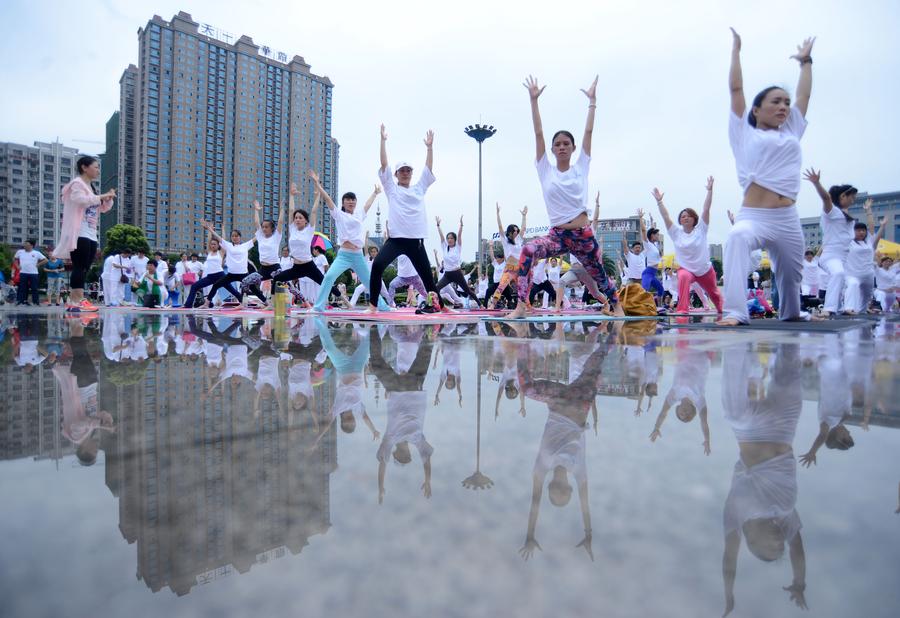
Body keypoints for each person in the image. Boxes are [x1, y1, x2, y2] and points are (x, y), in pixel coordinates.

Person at [718, 29, 815, 326]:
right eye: (776, 102)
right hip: (754, 215)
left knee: (790, 276)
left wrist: (806, 62)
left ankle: (791, 312)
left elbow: (804, 95)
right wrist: (736, 51)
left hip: (787, 217)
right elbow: (736, 90)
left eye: (785, 102)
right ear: (757, 110)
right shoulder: (743, 133)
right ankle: (736, 312)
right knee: (736, 237)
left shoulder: (791, 131)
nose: (784, 106)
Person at [507, 75, 619, 319]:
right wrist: (533, 100)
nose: (561, 146)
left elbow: (589, 130)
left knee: (599, 273)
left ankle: (615, 303)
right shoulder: (545, 169)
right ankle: (521, 306)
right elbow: (538, 134)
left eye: (566, 143)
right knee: (527, 250)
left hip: (582, 235)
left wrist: (592, 102)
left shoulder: (581, 166)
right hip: (557, 236)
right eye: (557, 144)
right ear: (552, 149)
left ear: (573, 147)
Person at [367, 124, 444, 313]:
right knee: (377, 266)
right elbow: (384, 164)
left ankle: (441, 306)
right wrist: (383, 141)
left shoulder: (419, 188)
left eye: (408, 170)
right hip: (396, 240)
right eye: (402, 170)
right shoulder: (391, 189)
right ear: (396, 174)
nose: (405, 173)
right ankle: (372, 307)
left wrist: (429, 148)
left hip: (416, 242)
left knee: (427, 278)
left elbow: (428, 168)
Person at [308, 172, 390, 312]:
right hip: (344, 255)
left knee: (369, 283)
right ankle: (318, 307)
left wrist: (375, 193)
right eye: (348, 200)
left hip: (358, 255)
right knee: (328, 277)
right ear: (343, 203)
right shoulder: (339, 215)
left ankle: (383, 307)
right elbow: (327, 199)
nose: (351, 202)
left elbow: (367, 205)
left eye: (353, 200)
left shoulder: (359, 215)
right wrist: (318, 185)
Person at [652, 177, 723, 314]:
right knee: (683, 276)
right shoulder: (676, 233)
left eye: (688, 216)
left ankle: (721, 309)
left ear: (694, 219)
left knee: (714, 295)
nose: (685, 217)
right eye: (683, 216)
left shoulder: (701, 229)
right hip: (687, 270)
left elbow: (706, 209)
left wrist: (709, 191)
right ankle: (682, 310)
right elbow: (666, 217)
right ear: (680, 220)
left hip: (705, 271)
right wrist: (660, 202)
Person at [53, 156, 115, 312]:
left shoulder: (91, 187)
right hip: (79, 230)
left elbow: (100, 208)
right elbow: (80, 200)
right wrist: (101, 196)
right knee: (79, 266)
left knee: (85, 267)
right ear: (84, 167)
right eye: (95, 167)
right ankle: (77, 300)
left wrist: (107, 199)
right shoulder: (77, 184)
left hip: (91, 232)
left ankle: (75, 300)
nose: (98, 170)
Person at [803, 169, 855, 316]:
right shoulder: (832, 212)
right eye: (851, 196)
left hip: (844, 256)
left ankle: (841, 307)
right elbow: (826, 198)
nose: (853, 199)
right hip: (831, 255)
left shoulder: (847, 217)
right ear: (842, 196)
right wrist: (817, 183)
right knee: (837, 273)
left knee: (849, 282)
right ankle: (828, 308)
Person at [271, 181, 326, 298]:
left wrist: (318, 196)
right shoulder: (292, 228)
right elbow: (291, 210)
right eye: (296, 218)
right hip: (296, 266)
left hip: (309, 265)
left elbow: (314, 211)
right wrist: (291, 195)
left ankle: (346, 302)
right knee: (277, 279)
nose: (297, 219)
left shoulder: (309, 229)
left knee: (325, 283)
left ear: (306, 220)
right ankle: (272, 303)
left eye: (300, 218)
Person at [200, 221, 267, 308]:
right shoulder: (228, 245)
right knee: (216, 285)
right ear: (231, 237)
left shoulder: (245, 245)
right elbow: (218, 237)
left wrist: (262, 230)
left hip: (243, 274)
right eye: (233, 236)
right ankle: (206, 303)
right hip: (231, 274)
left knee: (253, 288)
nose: (235, 238)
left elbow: (257, 237)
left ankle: (267, 303)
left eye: (236, 236)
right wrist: (209, 229)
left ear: (240, 237)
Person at [843, 210, 886, 314]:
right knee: (853, 285)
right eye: (858, 230)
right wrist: (845, 212)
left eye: (863, 230)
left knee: (866, 296)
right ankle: (848, 308)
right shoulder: (849, 242)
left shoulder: (870, 242)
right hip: (852, 274)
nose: (861, 232)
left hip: (868, 274)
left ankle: (862, 312)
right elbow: (845, 227)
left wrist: (881, 225)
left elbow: (872, 229)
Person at [487, 203, 527, 309]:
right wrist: (498, 214)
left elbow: (523, 228)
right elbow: (500, 227)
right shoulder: (505, 241)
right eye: (514, 230)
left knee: (522, 288)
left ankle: (526, 306)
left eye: (516, 230)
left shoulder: (518, 240)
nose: (516, 231)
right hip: (509, 268)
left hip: (519, 268)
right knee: (501, 286)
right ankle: (493, 304)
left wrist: (524, 216)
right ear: (509, 232)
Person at [435, 215, 480, 306]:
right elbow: (441, 236)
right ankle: (440, 305)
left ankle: (480, 304)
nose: (449, 240)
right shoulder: (444, 247)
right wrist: (438, 226)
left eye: (451, 238)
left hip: (457, 273)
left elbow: (459, 235)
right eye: (448, 238)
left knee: (467, 290)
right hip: (447, 275)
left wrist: (461, 225)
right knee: (436, 288)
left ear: (455, 240)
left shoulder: (457, 247)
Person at [185, 235, 233, 308]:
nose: (213, 245)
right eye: (212, 244)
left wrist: (223, 228)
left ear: (218, 245)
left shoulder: (221, 252)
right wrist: (209, 230)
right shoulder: (209, 252)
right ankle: (188, 305)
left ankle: (242, 302)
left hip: (220, 275)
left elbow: (223, 241)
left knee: (231, 290)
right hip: (210, 276)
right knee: (194, 286)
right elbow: (208, 241)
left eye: (214, 244)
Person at [252, 198, 285, 289]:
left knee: (280, 287)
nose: (264, 229)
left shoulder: (276, 236)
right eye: (263, 227)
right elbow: (256, 222)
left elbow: (280, 222)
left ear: (272, 228)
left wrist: (282, 209)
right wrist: (256, 210)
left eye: (266, 227)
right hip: (263, 269)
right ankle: (265, 301)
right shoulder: (260, 236)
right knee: (247, 283)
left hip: (275, 268)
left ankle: (304, 301)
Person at [637, 209, 665, 299]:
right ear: (652, 236)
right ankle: (639, 306)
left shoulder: (654, 245)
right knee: (644, 291)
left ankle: (658, 306)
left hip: (653, 274)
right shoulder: (647, 244)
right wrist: (640, 218)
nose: (658, 236)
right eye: (656, 235)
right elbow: (644, 231)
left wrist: (652, 220)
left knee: (661, 290)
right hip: (647, 273)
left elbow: (652, 230)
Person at [14, 240, 48, 305]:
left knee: (34, 288)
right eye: (24, 244)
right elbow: (15, 259)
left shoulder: (36, 253)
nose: (25, 245)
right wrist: (17, 266)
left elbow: (46, 260)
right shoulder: (20, 252)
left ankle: (36, 302)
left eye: (26, 244)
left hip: (33, 273)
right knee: (22, 287)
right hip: (23, 272)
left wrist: (38, 264)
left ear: (31, 246)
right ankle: (22, 301)